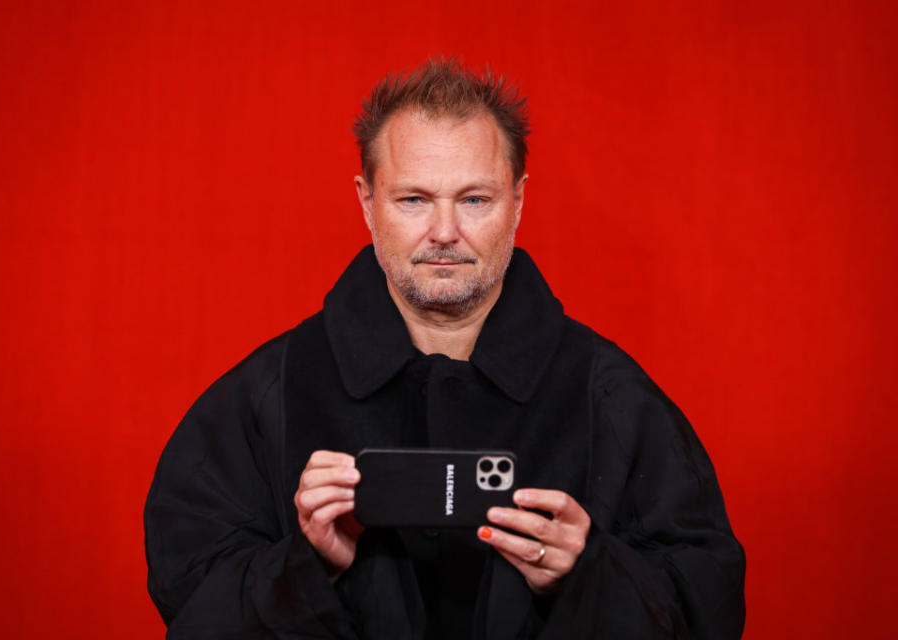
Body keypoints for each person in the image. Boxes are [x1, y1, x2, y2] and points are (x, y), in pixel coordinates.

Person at [144, 59, 745, 639]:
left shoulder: (609, 396)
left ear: (519, 199)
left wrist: (585, 572)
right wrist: (307, 566)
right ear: (366, 201)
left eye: (475, 199)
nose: (444, 232)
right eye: (413, 199)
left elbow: (712, 608)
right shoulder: (270, 392)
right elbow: (188, 605)